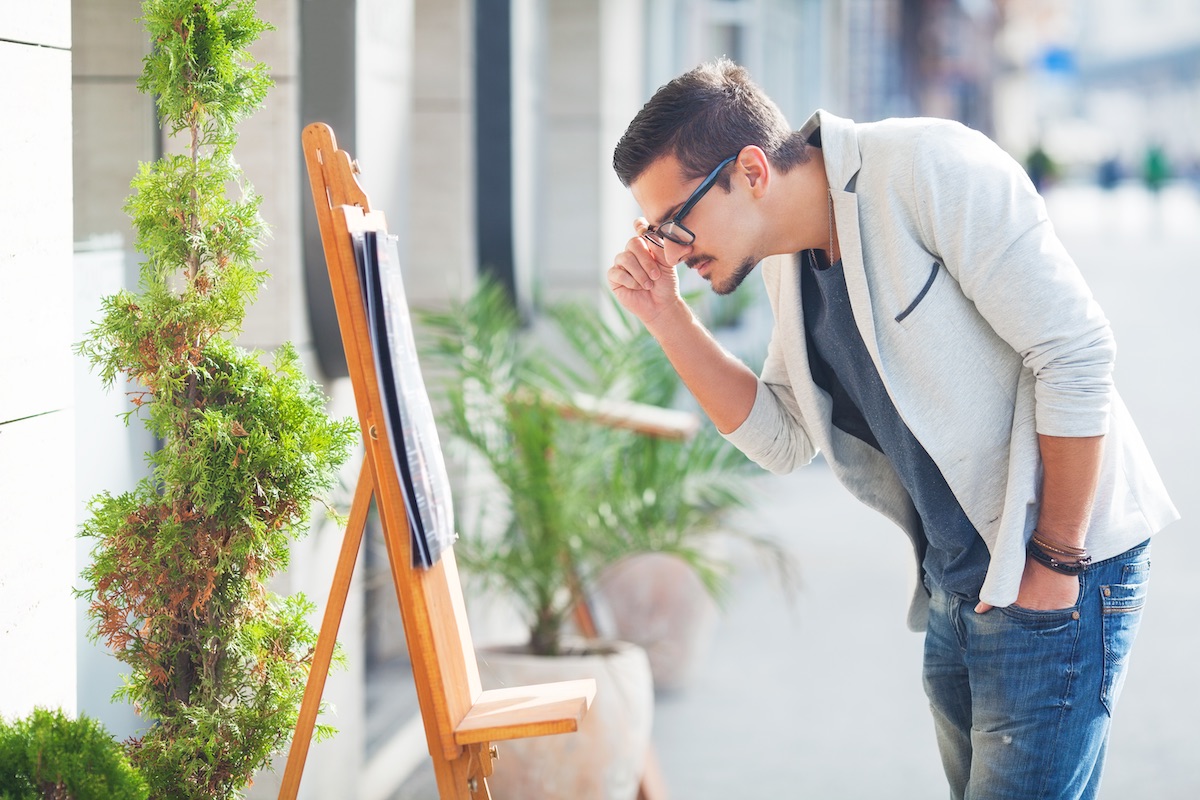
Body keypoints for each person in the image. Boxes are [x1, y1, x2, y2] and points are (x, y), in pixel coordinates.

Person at [607, 58, 1178, 800]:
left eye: (675, 225)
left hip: (1059, 565)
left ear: (750, 171)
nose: (672, 252)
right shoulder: (785, 260)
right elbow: (784, 440)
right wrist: (666, 319)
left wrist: (1055, 567)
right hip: (957, 586)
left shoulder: (928, 167)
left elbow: (1075, 352)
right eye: (655, 232)